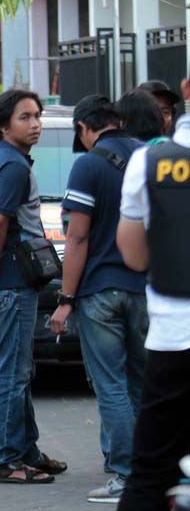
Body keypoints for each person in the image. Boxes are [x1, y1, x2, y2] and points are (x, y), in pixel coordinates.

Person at [0, 89, 67, 484]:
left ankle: (27, 451)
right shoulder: (12, 167)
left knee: (18, 371)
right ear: (4, 125)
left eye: (37, 115)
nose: (36, 123)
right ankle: (4, 462)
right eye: (25, 117)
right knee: (11, 374)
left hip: (3, 283)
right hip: (10, 285)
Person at [48, 95, 148, 503]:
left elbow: (77, 236)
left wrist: (66, 296)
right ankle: (150, 469)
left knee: (111, 386)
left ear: (84, 128)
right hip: (145, 288)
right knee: (142, 383)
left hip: (100, 291)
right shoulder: (147, 157)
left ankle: (126, 476)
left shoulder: (88, 164)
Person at [116, 78, 190, 511]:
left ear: (186, 87)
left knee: (149, 473)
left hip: (175, 338)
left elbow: (134, 256)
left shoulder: (150, 162)